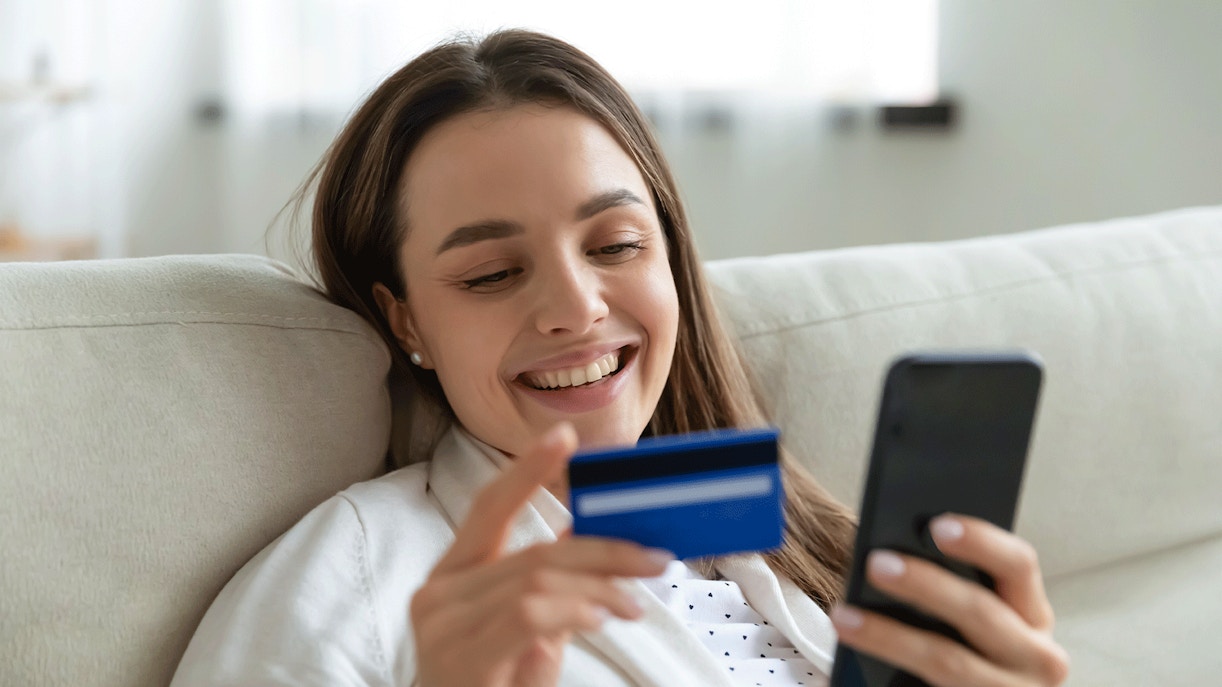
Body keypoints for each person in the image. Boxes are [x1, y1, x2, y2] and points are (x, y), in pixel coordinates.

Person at [171, 29, 1069, 687]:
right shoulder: (346, 578)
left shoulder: (789, 536)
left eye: (616, 245)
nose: (575, 308)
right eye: (491, 273)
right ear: (405, 321)